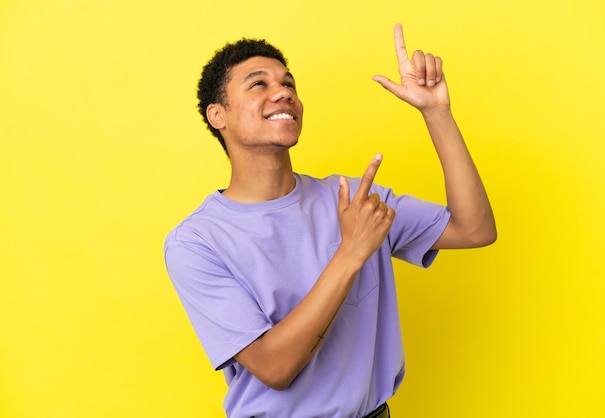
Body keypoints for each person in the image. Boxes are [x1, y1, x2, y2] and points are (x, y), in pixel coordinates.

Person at [164, 23, 496, 418]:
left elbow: (475, 229)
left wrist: (437, 114)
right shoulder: (197, 242)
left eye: (289, 83)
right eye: (258, 85)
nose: (284, 91)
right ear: (218, 115)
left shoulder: (354, 199)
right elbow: (274, 367)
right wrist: (352, 251)